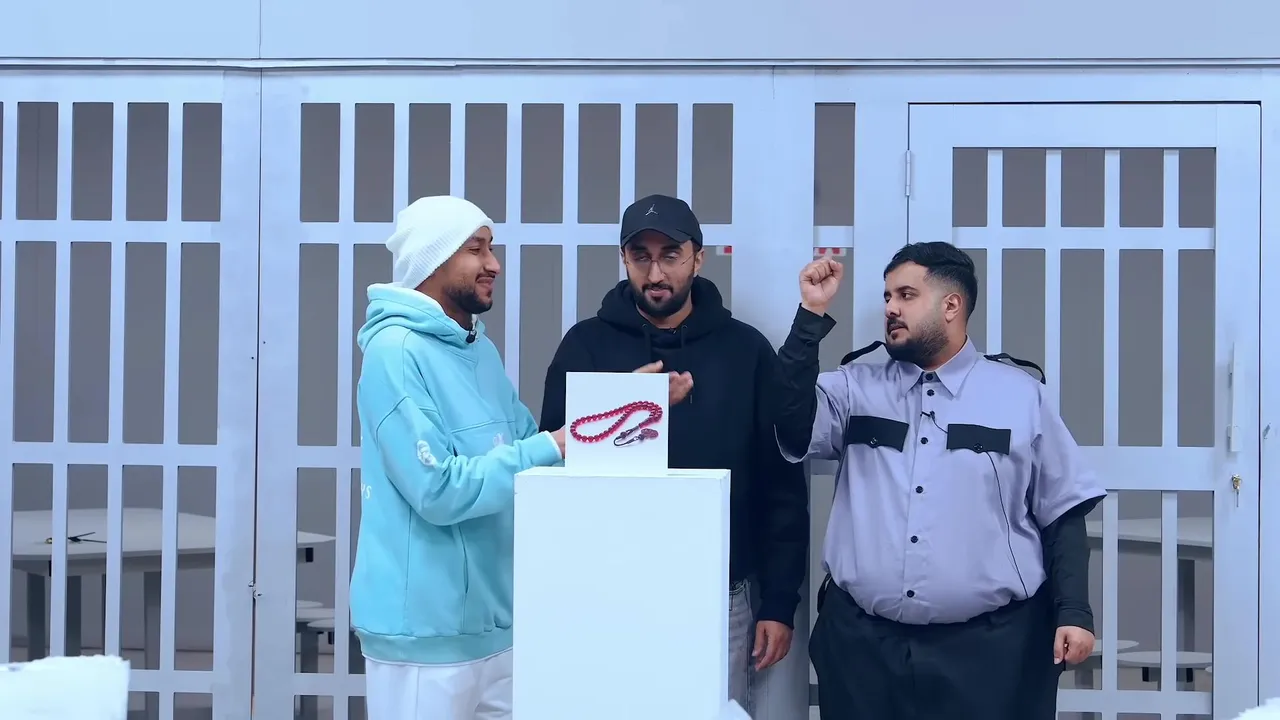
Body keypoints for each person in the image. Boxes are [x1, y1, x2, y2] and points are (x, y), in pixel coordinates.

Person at [773, 242, 1106, 720]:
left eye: (906, 295)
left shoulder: (1020, 396)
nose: (890, 308)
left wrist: (1074, 611)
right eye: (887, 296)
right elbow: (788, 422)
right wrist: (810, 315)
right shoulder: (853, 387)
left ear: (951, 305)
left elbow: (1063, 511)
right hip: (863, 651)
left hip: (990, 655)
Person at [538, 194, 810, 711]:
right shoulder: (585, 346)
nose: (655, 272)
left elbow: (780, 485)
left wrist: (779, 602)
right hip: (608, 590)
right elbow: (553, 462)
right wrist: (635, 405)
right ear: (623, 259)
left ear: (698, 258)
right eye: (640, 256)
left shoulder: (745, 350)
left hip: (721, 594)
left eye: (670, 255)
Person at [350, 196, 568, 720]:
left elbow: (534, 450)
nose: (494, 264)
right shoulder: (395, 352)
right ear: (432, 260)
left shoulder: (479, 351)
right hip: (423, 637)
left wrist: (622, 408)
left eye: (491, 248)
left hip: (497, 629)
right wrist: (550, 446)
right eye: (476, 249)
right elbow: (437, 490)